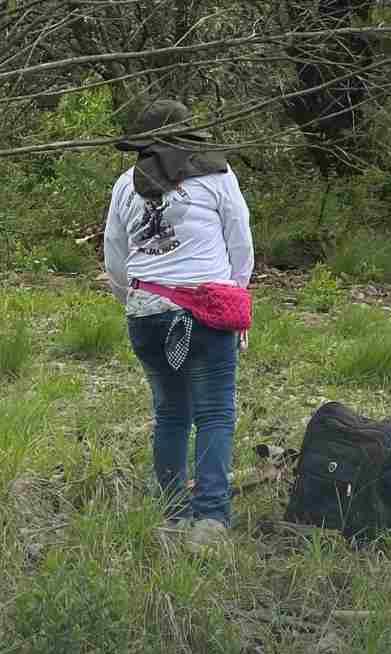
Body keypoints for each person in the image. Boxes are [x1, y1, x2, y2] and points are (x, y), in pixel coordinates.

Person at [103, 99, 253, 551]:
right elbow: (240, 241)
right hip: (205, 310)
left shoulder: (126, 184)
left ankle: (171, 515)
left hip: (146, 309)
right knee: (215, 414)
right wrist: (237, 296)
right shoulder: (218, 176)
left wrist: (132, 299)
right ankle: (209, 520)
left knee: (170, 413)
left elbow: (114, 253)